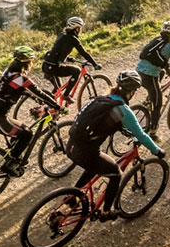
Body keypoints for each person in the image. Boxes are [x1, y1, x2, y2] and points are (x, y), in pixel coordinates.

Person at [64, 71, 164, 221]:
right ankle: (106, 212)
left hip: (71, 145)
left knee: (94, 166)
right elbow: (141, 135)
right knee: (116, 173)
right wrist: (157, 151)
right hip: (86, 152)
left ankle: (72, 196)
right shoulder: (123, 110)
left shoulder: (101, 99)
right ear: (131, 91)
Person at [0, 47, 63, 176]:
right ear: (27, 62)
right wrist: (56, 106)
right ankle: (10, 164)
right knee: (27, 134)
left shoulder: (8, 72)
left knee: (19, 130)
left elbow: (18, 89)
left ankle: (13, 156)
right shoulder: (22, 79)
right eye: (31, 61)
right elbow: (39, 92)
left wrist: (34, 97)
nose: (32, 64)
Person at [40, 16, 101, 93]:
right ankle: (66, 95)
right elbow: (84, 53)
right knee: (77, 71)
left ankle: (50, 104)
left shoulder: (62, 35)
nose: (80, 30)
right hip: (53, 67)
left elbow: (58, 50)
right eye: (79, 28)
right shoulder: (72, 39)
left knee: (58, 89)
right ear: (76, 28)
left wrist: (66, 58)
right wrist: (94, 64)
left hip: (47, 65)